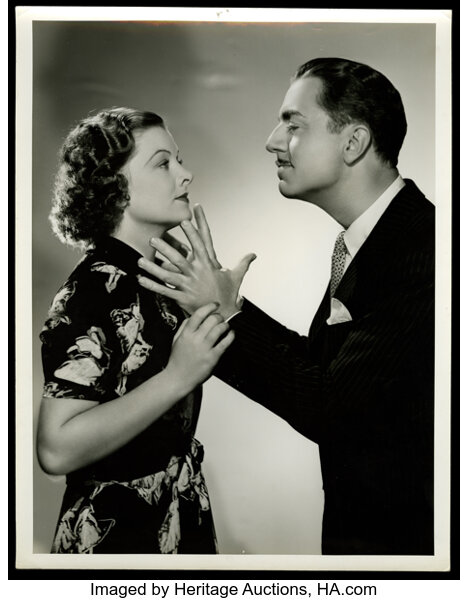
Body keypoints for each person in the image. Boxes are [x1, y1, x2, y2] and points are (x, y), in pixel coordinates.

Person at [137, 58, 435, 555]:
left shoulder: (424, 248)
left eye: (293, 124)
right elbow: (329, 370)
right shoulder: (375, 240)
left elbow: (328, 406)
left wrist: (223, 314)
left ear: (353, 143)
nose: (273, 140)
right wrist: (227, 306)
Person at [36, 107, 235, 554]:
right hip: (115, 539)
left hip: (178, 523)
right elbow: (56, 449)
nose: (185, 175)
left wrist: (223, 306)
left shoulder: (160, 277)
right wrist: (176, 378)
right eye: (163, 163)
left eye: (178, 160)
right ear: (115, 188)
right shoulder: (93, 288)